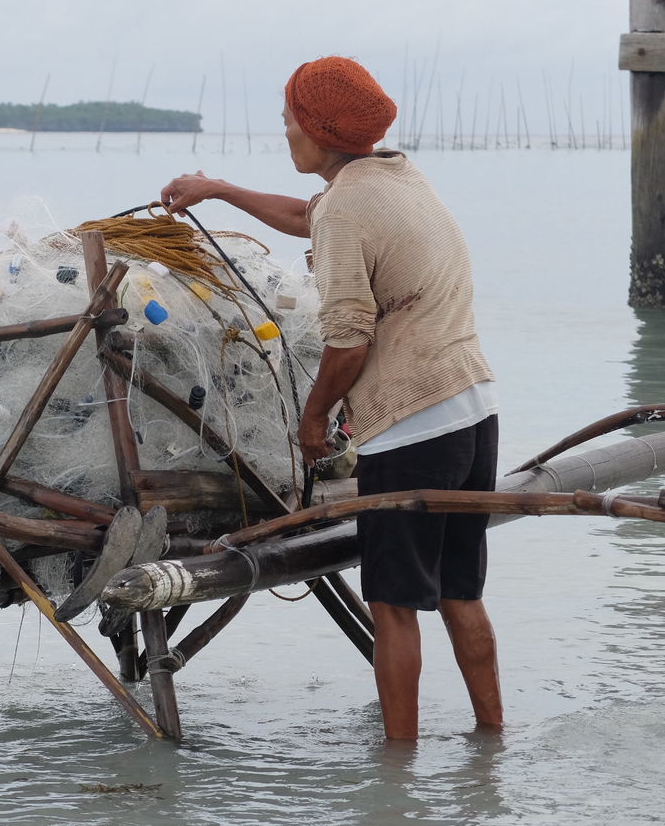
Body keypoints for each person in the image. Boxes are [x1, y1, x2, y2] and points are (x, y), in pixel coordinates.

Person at [160, 56, 503, 740]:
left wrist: (314, 419)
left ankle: (396, 775)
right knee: (461, 591)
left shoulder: (348, 205)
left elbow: (347, 343)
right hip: (473, 408)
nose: (284, 129)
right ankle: (492, 738)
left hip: (412, 428)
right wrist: (217, 189)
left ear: (319, 130)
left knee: (393, 605)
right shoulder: (394, 175)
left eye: (289, 118)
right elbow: (305, 216)